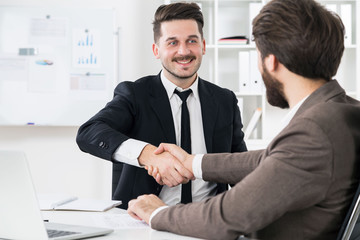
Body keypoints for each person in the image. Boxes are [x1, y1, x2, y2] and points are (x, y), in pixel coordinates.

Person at [127, 0, 360, 239]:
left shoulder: (314, 129)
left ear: (272, 61)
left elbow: (224, 218)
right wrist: (193, 163)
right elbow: (269, 159)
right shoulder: (342, 111)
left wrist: (157, 213)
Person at [76, 2, 247, 209]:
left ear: (202, 46)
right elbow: (88, 133)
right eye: (172, 43)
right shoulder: (134, 94)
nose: (183, 51)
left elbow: (239, 167)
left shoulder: (224, 100)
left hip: (209, 221)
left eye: (191, 41)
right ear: (156, 50)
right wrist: (149, 156)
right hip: (145, 222)